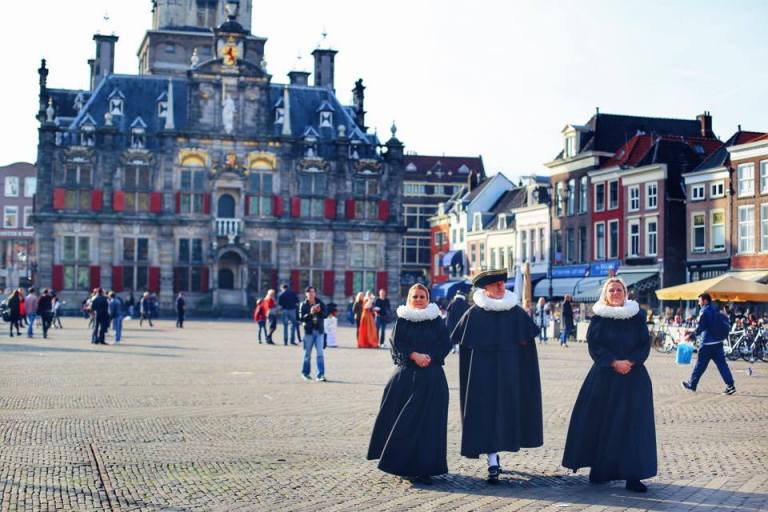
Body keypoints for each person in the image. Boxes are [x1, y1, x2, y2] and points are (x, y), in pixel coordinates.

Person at [562, 277, 656, 493]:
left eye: (619, 289)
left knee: (634, 428)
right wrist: (614, 362)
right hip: (605, 377)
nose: (615, 293)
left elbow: (644, 343)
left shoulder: (637, 317)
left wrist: (631, 361)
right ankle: (601, 469)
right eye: (611, 290)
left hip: (634, 378)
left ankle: (634, 476)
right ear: (606, 294)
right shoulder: (599, 319)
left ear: (625, 293)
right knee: (604, 424)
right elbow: (595, 346)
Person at [450, 269, 543, 484]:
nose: (502, 287)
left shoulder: (516, 312)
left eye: (503, 283)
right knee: (486, 415)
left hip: (511, 375)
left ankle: (497, 455)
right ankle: (492, 461)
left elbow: (528, 347)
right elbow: (459, 343)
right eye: (496, 284)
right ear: (486, 289)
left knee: (507, 414)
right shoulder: (474, 314)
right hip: (482, 376)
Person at [367, 284, 452, 485]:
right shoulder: (403, 320)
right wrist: (414, 355)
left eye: (423, 296)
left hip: (432, 378)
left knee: (429, 425)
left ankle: (425, 468)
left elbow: (445, 344)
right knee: (403, 423)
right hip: (407, 378)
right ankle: (402, 465)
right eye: (415, 296)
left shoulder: (437, 321)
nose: (419, 299)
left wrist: (429, 357)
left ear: (428, 298)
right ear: (409, 299)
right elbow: (396, 344)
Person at [682, 293, 736, 395]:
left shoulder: (705, 311)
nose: (699, 303)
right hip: (718, 342)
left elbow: (701, 327)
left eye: (700, 301)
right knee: (722, 365)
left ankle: (692, 384)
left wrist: (691, 335)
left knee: (700, 365)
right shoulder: (716, 309)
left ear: (705, 301)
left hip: (707, 343)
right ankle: (730, 385)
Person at [298, 286, 327, 381]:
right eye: (309, 292)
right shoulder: (303, 305)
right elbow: (301, 318)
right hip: (309, 332)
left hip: (319, 331)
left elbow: (325, 314)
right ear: (306, 294)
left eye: (313, 292)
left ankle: (320, 375)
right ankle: (305, 373)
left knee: (320, 353)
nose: (311, 294)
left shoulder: (320, 303)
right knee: (307, 354)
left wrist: (320, 311)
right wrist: (310, 313)